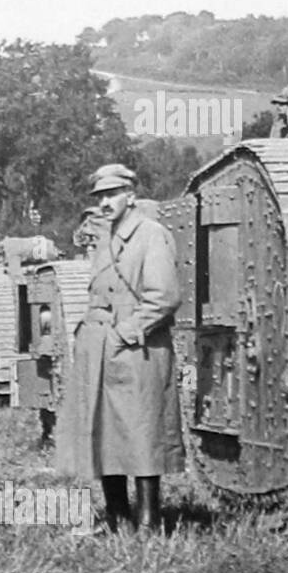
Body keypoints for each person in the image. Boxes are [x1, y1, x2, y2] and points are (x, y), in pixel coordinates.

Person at [56, 164, 183, 531]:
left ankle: (148, 520)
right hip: (99, 347)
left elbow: (164, 297)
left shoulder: (150, 234)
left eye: (113, 194)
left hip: (135, 348)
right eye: (100, 197)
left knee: (141, 433)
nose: (105, 202)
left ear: (131, 195)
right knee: (105, 432)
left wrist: (125, 333)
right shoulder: (105, 235)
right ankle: (116, 516)